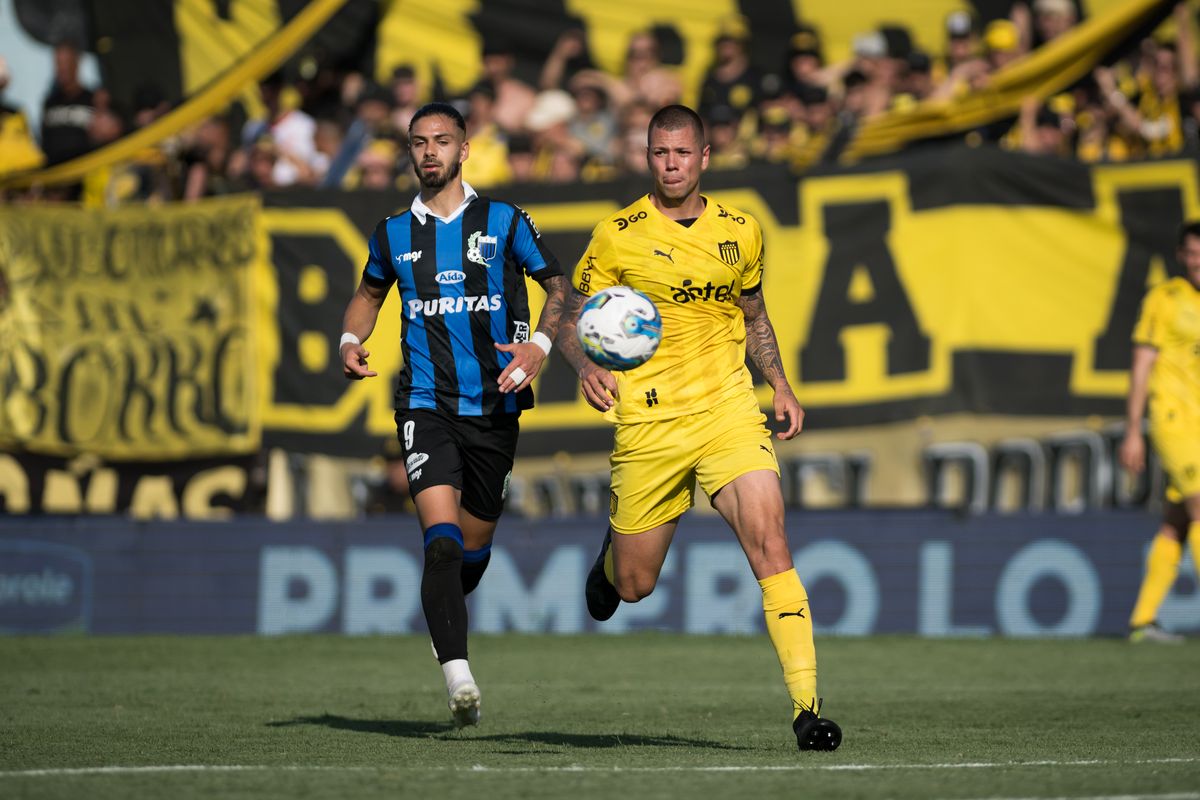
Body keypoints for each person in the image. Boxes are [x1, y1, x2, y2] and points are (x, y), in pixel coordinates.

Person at [555, 104, 841, 752]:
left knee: (771, 541)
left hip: (727, 411)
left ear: (705, 157)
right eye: (660, 153)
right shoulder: (616, 234)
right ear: (647, 157)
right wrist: (581, 366)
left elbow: (756, 314)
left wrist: (782, 384)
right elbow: (570, 315)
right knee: (633, 586)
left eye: (683, 153)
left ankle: (807, 710)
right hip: (649, 423)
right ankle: (608, 562)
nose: (672, 164)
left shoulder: (741, 231)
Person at [338, 102, 569, 726]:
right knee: (439, 545)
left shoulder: (505, 219)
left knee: (471, 548)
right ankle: (458, 676)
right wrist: (350, 340)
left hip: (496, 406)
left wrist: (541, 346)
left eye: (442, 141)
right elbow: (367, 294)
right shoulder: (391, 234)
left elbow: (560, 287)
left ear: (465, 149)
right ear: (409, 152)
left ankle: (443, 612)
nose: (430, 152)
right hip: (424, 403)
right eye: (419, 142)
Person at [1118, 220, 1200, 643]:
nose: (1199, 261)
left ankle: (1142, 622)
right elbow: (1141, 365)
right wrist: (1134, 430)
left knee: (1177, 523)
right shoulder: (1165, 299)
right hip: (1174, 420)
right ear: (1182, 255)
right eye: (1193, 253)